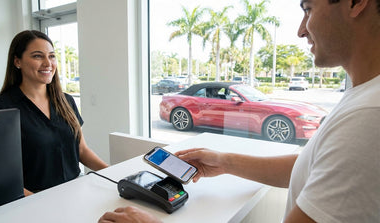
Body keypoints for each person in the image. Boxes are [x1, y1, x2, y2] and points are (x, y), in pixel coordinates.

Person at [99, 0, 380, 222]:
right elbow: (312, 167)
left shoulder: (367, 116)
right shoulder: (363, 98)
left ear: (356, 2)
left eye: (308, 9)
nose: (301, 29)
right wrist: (224, 162)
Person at [0, 30, 108, 196]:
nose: (48, 63)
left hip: (75, 190)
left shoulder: (66, 101)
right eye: (37, 56)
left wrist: (114, 173)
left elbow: (82, 151)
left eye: (52, 56)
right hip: (31, 199)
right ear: (17, 61)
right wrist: (36, 202)